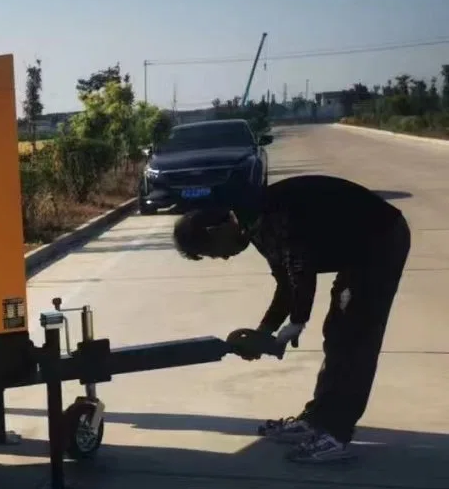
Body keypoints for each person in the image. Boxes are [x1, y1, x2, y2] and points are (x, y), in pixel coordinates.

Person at [172, 174, 411, 463]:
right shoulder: (253, 225)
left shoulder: (268, 216)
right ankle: (317, 419)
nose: (222, 259)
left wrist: (296, 322)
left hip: (380, 240)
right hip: (357, 252)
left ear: (216, 229)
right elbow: (285, 284)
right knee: (337, 333)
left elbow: (300, 266)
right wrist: (264, 332)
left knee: (355, 336)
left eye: (213, 252)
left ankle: (335, 435)